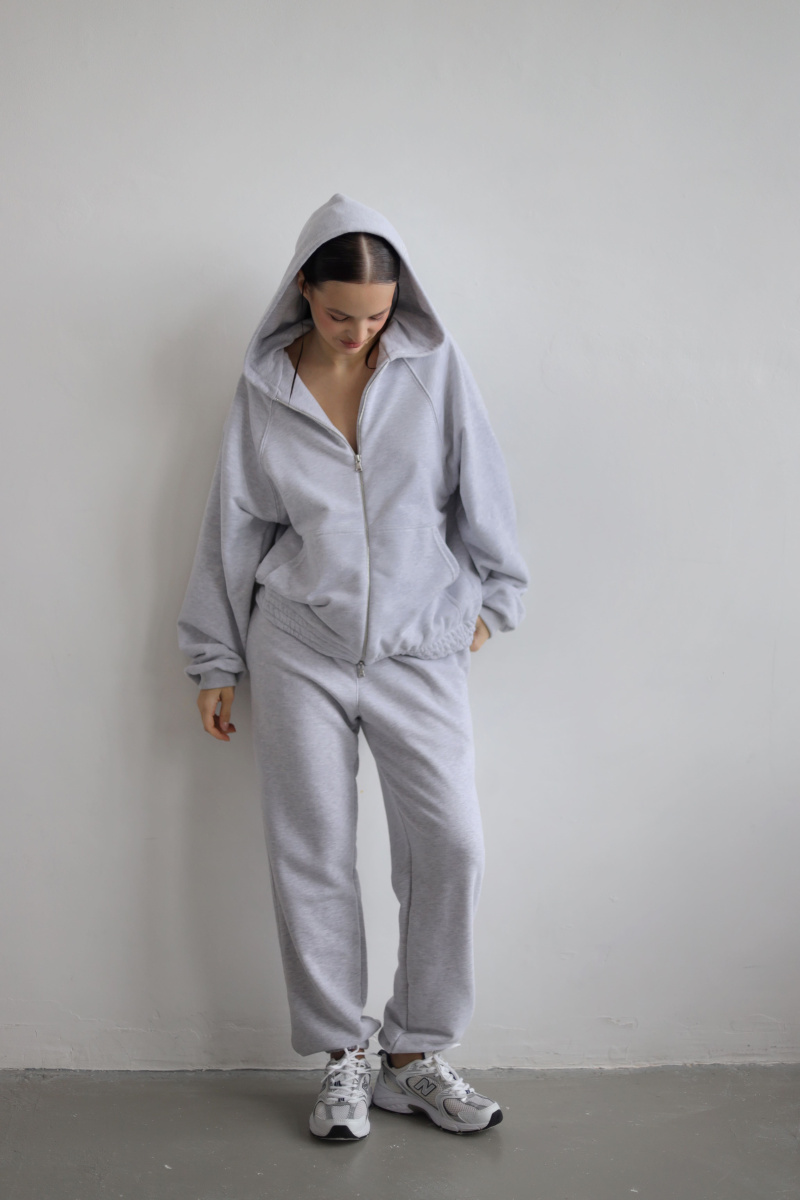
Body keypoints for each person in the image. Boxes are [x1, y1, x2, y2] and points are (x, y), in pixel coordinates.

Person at [177, 192, 529, 1141]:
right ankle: (344, 1054)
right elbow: (235, 522)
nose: (358, 333)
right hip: (299, 642)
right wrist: (215, 658)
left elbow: (482, 482)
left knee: (451, 844)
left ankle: (415, 1056)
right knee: (313, 849)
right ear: (303, 288)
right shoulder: (267, 387)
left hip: (420, 647)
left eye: (375, 317)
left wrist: (492, 602)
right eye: (341, 315)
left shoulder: (433, 367)